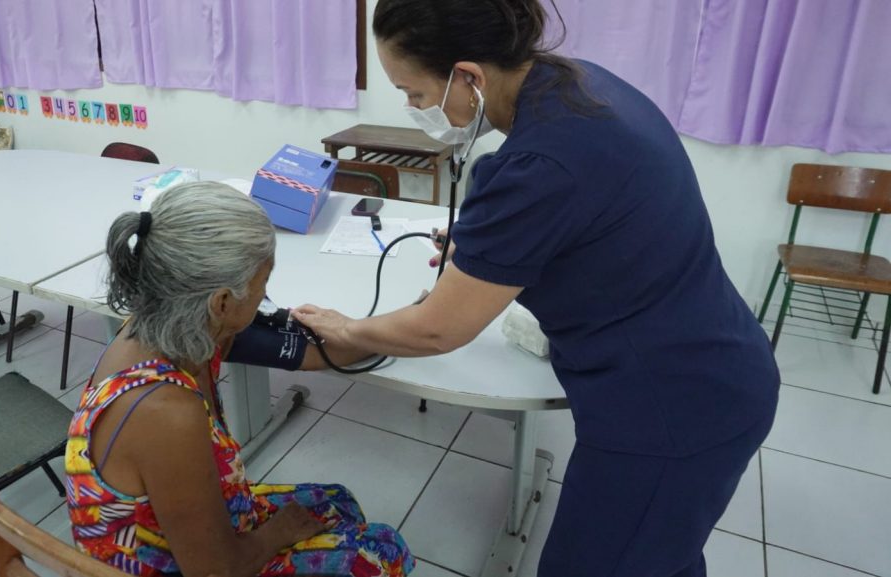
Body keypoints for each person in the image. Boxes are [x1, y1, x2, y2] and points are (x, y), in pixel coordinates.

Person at [292, 1, 780, 576]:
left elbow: (439, 327)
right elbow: (596, 223)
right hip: (715, 365)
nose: (411, 108)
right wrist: (500, 249)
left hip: (670, 407)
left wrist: (347, 327)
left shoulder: (540, 163)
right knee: (659, 554)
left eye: (415, 94)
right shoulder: (581, 83)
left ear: (468, 77)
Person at [65, 182, 415, 577]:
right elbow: (214, 571)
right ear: (222, 302)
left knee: (339, 502)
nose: (267, 297)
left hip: (187, 530)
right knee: (384, 551)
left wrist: (406, 327)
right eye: (263, 287)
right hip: (177, 565)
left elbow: (318, 354)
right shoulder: (164, 412)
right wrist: (277, 533)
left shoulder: (185, 328)